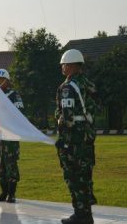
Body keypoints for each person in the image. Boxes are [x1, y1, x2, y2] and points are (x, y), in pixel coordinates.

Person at [55, 49, 97, 224]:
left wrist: (61, 133)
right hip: (87, 137)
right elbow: (95, 109)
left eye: (64, 64)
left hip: (73, 141)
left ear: (71, 65)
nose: (62, 67)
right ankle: (86, 214)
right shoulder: (89, 84)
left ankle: (80, 215)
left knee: (73, 177)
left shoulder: (67, 87)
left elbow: (67, 117)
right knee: (85, 176)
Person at [0, 69, 24, 203]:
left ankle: (12, 193)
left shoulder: (14, 95)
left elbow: (19, 113)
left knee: (10, 163)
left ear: (7, 81)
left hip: (10, 136)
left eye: (0, 80)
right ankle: (3, 191)